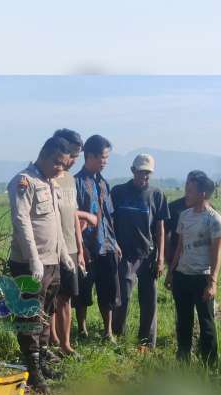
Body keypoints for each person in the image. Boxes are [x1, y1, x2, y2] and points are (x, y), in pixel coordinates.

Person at [7, 136, 75, 394]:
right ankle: (31, 367)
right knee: (30, 315)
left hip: (52, 261)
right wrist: (33, 256)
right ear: (44, 155)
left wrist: (63, 254)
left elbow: (55, 221)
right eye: (57, 163)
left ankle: (43, 359)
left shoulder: (49, 182)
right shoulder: (25, 181)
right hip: (30, 263)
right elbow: (21, 220)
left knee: (46, 314)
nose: (61, 168)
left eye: (64, 164)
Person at [165, 171, 221, 365]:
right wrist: (171, 272)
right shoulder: (184, 216)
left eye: (190, 191)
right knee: (183, 321)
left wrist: (213, 283)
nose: (186, 194)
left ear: (202, 194)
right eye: (186, 189)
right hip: (182, 276)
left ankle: (210, 363)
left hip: (202, 278)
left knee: (206, 322)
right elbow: (180, 248)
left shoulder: (215, 220)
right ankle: (183, 359)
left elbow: (217, 255)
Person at [110, 153, 169, 349]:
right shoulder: (118, 192)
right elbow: (109, 222)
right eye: (141, 172)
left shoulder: (156, 195)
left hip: (148, 254)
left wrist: (161, 258)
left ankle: (146, 340)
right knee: (122, 297)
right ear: (132, 170)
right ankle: (118, 334)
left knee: (149, 299)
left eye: (148, 173)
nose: (144, 176)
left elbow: (160, 229)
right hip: (124, 254)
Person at [74, 135, 121, 341]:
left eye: (106, 157)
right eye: (103, 157)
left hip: (107, 245)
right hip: (86, 247)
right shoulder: (76, 183)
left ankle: (108, 331)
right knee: (83, 292)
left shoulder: (104, 184)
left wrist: (115, 242)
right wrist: (80, 247)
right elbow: (72, 216)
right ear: (90, 156)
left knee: (108, 290)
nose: (105, 161)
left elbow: (108, 217)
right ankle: (82, 329)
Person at [49, 129, 85, 357]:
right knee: (49, 298)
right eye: (70, 155)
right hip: (51, 249)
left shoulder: (70, 180)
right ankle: (50, 340)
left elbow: (73, 215)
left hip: (71, 248)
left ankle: (65, 344)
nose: (72, 161)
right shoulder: (46, 177)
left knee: (66, 298)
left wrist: (80, 249)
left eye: (76, 157)